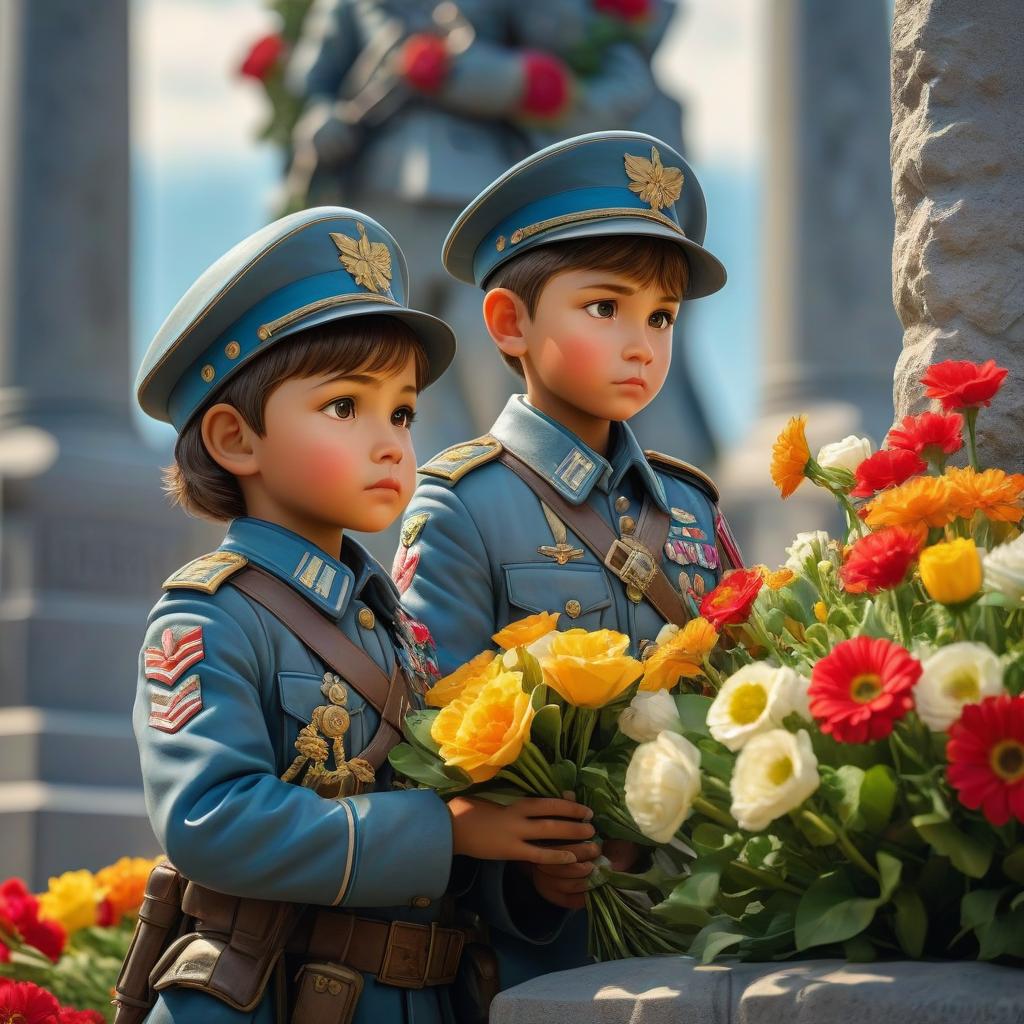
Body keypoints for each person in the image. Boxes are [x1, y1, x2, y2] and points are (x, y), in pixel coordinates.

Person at [119, 206, 596, 1023]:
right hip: (266, 999)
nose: (389, 443)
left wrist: (526, 873)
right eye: (346, 407)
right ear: (236, 438)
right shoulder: (210, 616)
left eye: (402, 412)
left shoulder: (393, 627)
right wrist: (444, 832)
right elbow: (212, 820)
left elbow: (447, 848)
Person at [398, 130, 745, 990]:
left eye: (661, 317)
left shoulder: (691, 507)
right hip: (543, 951)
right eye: (605, 308)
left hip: (708, 925)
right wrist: (528, 875)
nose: (642, 344)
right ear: (510, 322)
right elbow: (422, 744)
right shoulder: (461, 506)